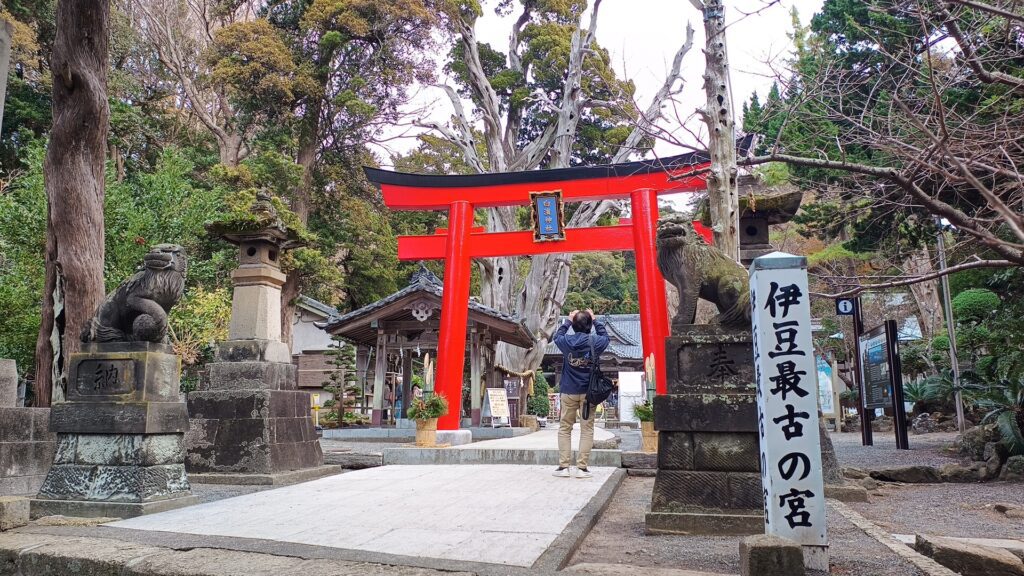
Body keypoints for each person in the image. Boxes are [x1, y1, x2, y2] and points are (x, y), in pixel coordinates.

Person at [552, 309, 609, 478]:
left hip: (568, 390)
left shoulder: (565, 341)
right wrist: (595, 320)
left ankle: (564, 467)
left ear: (574, 326)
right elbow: (605, 337)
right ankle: (582, 468)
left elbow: (557, 336)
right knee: (587, 429)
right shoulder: (595, 342)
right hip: (588, 393)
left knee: (565, 428)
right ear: (589, 326)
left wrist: (568, 321)